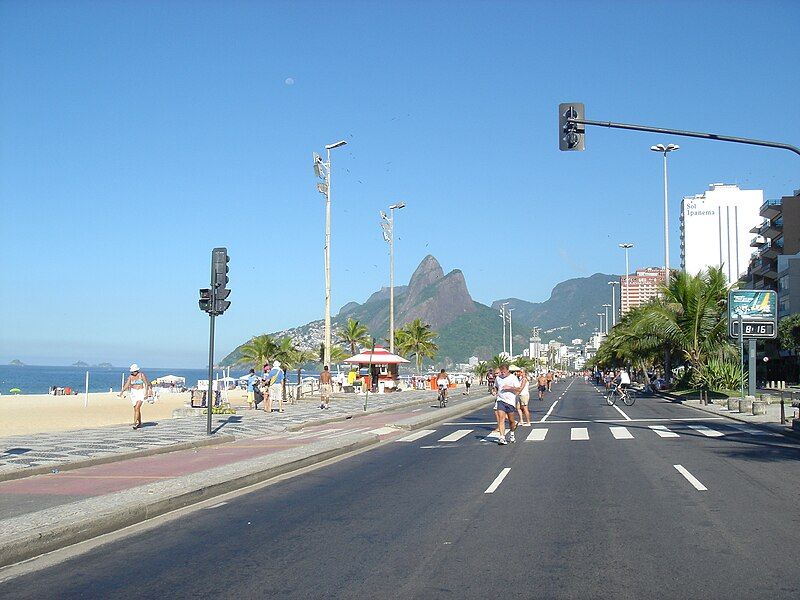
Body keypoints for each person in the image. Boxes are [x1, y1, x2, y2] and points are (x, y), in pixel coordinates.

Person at [490, 363, 521, 445]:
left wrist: (510, 388)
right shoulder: (498, 378)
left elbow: (519, 389)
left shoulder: (513, 378)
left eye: (504, 372)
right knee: (501, 418)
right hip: (501, 400)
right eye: (501, 372)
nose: (502, 373)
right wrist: (494, 391)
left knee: (511, 421)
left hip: (510, 401)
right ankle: (502, 437)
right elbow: (495, 387)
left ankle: (512, 434)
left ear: (508, 370)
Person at [120, 363, 150, 430]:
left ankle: (135, 423)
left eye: (134, 371)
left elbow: (146, 383)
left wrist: (146, 393)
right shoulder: (130, 377)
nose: (133, 372)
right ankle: (139, 423)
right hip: (133, 393)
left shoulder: (141, 375)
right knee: (136, 409)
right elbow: (127, 385)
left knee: (137, 408)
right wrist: (122, 392)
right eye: (132, 371)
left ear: (137, 370)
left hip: (141, 392)